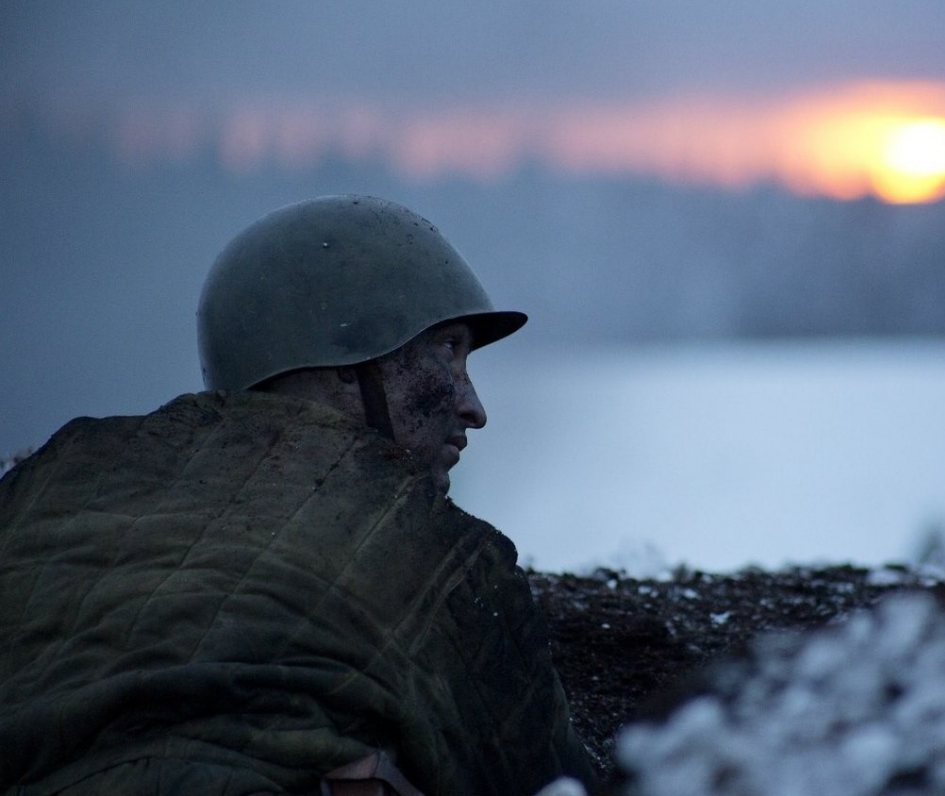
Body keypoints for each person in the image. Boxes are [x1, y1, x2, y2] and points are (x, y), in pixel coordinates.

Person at [0, 196, 597, 795]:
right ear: (347, 362)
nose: (474, 407)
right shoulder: (436, 550)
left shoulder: (52, 485)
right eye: (447, 351)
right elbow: (555, 780)